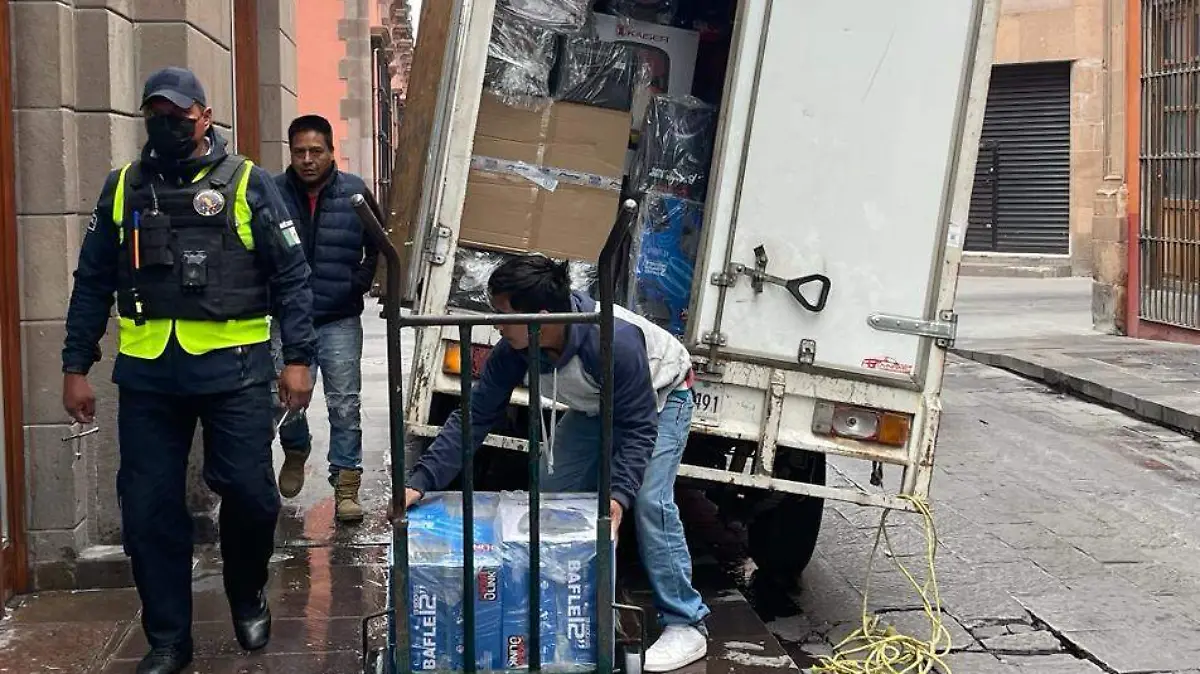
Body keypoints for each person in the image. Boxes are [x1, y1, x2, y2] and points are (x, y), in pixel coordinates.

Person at [61, 67, 316, 674]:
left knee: (252, 496)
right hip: (150, 375)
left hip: (235, 371)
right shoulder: (123, 186)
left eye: (176, 114)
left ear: (204, 117)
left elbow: (292, 277)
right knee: (148, 508)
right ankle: (170, 639)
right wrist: (77, 364)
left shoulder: (249, 182)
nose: (165, 124)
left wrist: (300, 359)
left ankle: (247, 589)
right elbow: (93, 280)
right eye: (155, 114)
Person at [401, 255, 711, 672]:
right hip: (591, 407)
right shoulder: (515, 346)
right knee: (550, 504)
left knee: (650, 502)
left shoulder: (613, 342)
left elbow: (638, 429)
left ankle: (686, 622)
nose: (496, 325)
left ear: (540, 318)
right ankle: (577, 609)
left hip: (661, 398)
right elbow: (476, 415)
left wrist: (619, 495)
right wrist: (419, 482)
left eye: (503, 315)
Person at [270, 114, 381, 523]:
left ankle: (347, 485)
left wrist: (358, 283)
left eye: (316, 151)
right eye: (299, 151)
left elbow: (378, 243)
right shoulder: (273, 193)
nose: (307, 160)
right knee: (286, 400)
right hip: (287, 317)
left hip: (339, 317)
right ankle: (296, 450)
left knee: (345, 404)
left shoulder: (354, 193)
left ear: (331, 152)